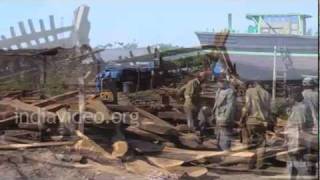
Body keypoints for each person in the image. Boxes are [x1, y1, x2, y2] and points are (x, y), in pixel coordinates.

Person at [240, 81, 272, 169]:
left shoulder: (249, 91)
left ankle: (251, 163)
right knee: (261, 143)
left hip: (251, 121)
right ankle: (259, 163)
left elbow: (247, 106)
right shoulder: (267, 94)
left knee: (251, 142)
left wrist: (242, 119)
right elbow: (269, 110)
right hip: (262, 122)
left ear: (255, 83)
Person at [285, 91, 313, 179]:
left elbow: (299, 127)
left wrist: (295, 144)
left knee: (297, 161)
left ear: (294, 99)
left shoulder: (299, 109)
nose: (287, 99)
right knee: (294, 162)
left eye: (289, 97)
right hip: (297, 138)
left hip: (296, 139)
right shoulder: (299, 107)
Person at [213, 80, 236, 151]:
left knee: (225, 136)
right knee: (218, 136)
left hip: (224, 117)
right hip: (218, 117)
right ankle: (220, 152)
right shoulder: (218, 91)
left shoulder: (230, 92)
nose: (219, 83)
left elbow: (230, 106)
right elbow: (216, 104)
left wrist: (226, 118)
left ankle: (225, 152)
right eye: (219, 81)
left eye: (222, 81)